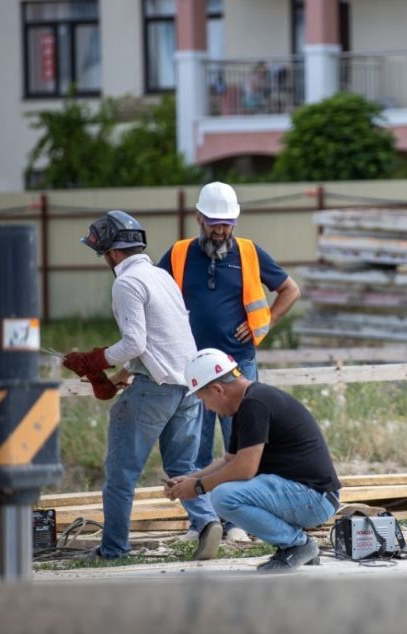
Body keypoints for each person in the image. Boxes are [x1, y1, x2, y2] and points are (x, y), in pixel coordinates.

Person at [63, 211, 221, 562]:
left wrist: (94, 360)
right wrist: (122, 375)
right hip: (189, 387)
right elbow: (164, 338)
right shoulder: (161, 276)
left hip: (155, 389)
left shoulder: (127, 283)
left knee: (121, 474)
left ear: (113, 253)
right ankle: (208, 522)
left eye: (102, 253)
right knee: (183, 468)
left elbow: (135, 342)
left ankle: (114, 549)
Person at [158, 181, 300, 543]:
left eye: (227, 224)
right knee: (196, 448)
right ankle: (203, 524)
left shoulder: (249, 253)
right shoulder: (178, 254)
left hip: (238, 368)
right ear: (199, 219)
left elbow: (290, 289)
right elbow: (155, 294)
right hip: (192, 370)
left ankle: (237, 522)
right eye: (214, 224)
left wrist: (262, 323)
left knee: (241, 446)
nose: (220, 231)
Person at [164, 348, 341, 572]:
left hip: (314, 498)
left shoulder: (254, 404)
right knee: (225, 491)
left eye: (204, 400)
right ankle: (300, 550)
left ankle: (298, 546)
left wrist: (198, 487)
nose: (208, 408)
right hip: (310, 494)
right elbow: (230, 459)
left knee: (224, 497)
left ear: (217, 389)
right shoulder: (251, 401)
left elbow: (245, 469)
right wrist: (190, 478)